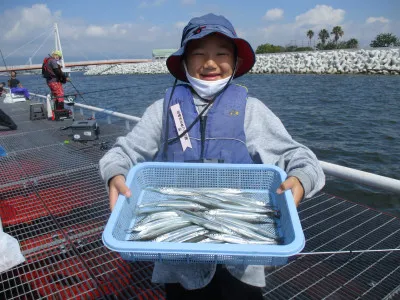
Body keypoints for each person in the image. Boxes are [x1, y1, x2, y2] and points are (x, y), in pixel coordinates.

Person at [99, 13, 325, 300]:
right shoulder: (163, 109)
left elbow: (301, 157)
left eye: (221, 53)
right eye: (198, 54)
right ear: (183, 62)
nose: (209, 63)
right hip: (179, 263)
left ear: (236, 62)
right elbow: (123, 152)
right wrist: (115, 172)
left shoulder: (251, 110)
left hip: (242, 258)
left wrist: (301, 179)